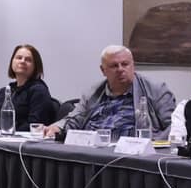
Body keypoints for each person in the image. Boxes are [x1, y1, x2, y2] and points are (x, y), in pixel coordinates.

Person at [45, 45, 176, 141]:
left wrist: (153, 144)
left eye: (125, 64)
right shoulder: (93, 92)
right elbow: (75, 119)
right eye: (114, 66)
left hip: (131, 156)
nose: (120, 69)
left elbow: (174, 126)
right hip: (91, 150)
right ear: (103, 70)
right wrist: (57, 127)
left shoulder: (156, 89)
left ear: (133, 65)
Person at [0, 44, 61, 131]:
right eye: (19, 58)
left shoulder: (39, 90)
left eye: (28, 60)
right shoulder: (5, 91)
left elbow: (35, 125)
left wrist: (8, 127)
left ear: (35, 66)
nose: (22, 61)